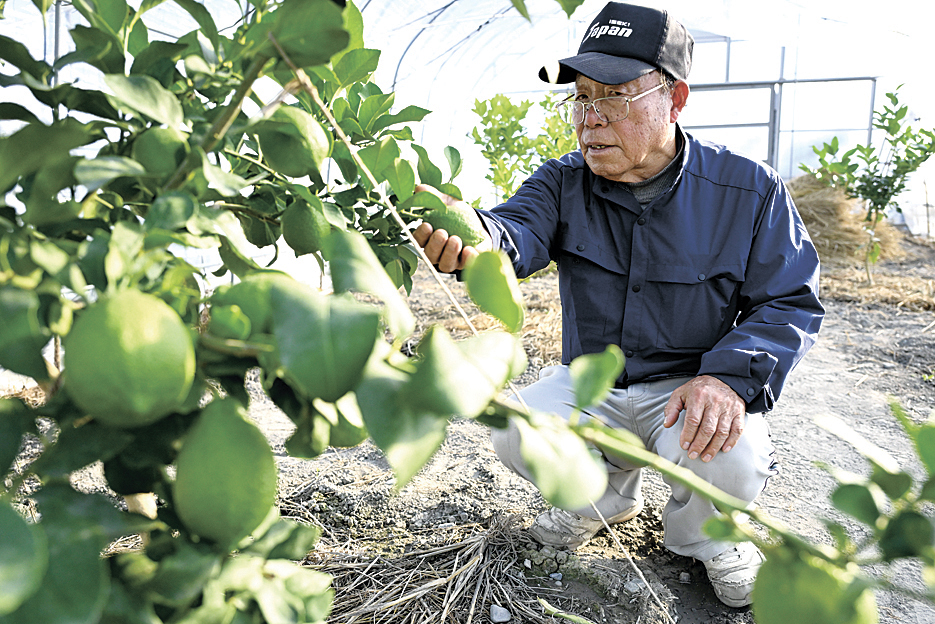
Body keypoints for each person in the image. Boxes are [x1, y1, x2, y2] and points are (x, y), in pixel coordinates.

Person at [413, 1, 823, 609]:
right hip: (594, 386)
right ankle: (600, 504)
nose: (589, 119)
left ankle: (703, 538)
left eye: (614, 97)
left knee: (734, 449)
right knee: (515, 427)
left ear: (675, 98)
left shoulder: (747, 189)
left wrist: (727, 379)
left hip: (687, 388)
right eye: (580, 98)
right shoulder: (560, 182)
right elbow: (511, 232)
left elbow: (789, 300)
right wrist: (473, 241)